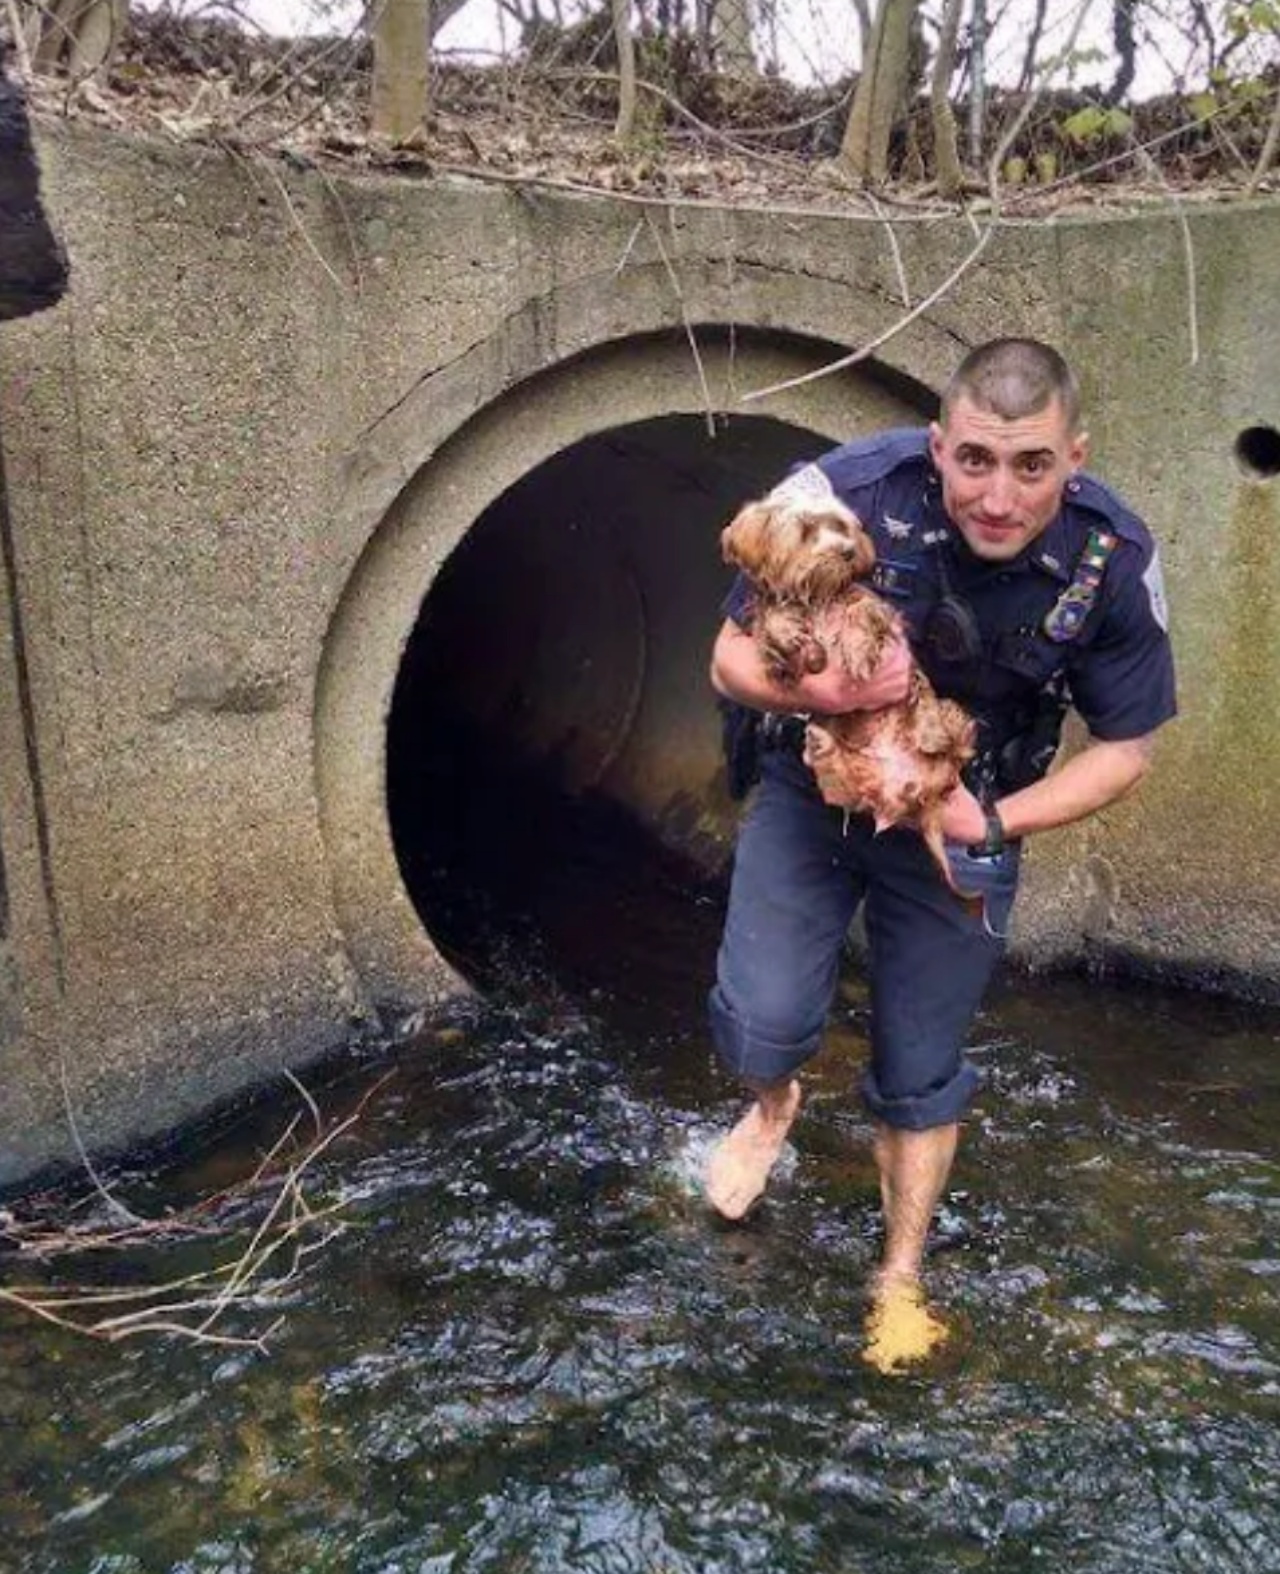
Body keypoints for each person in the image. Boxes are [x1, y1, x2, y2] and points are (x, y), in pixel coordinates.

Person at [704, 338, 1176, 1361]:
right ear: (935, 444)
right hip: (816, 778)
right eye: (972, 460)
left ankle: (899, 1271)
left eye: (1030, 465)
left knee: (919, 1068)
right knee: (763, 1020)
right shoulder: (845, 493)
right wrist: (824, 693)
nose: (997, 495)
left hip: (963, 805)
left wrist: (989, 822)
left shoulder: (1111, 559)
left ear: (1072, 456)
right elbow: (728, 655)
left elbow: (1125, 751)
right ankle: (771, 1099)